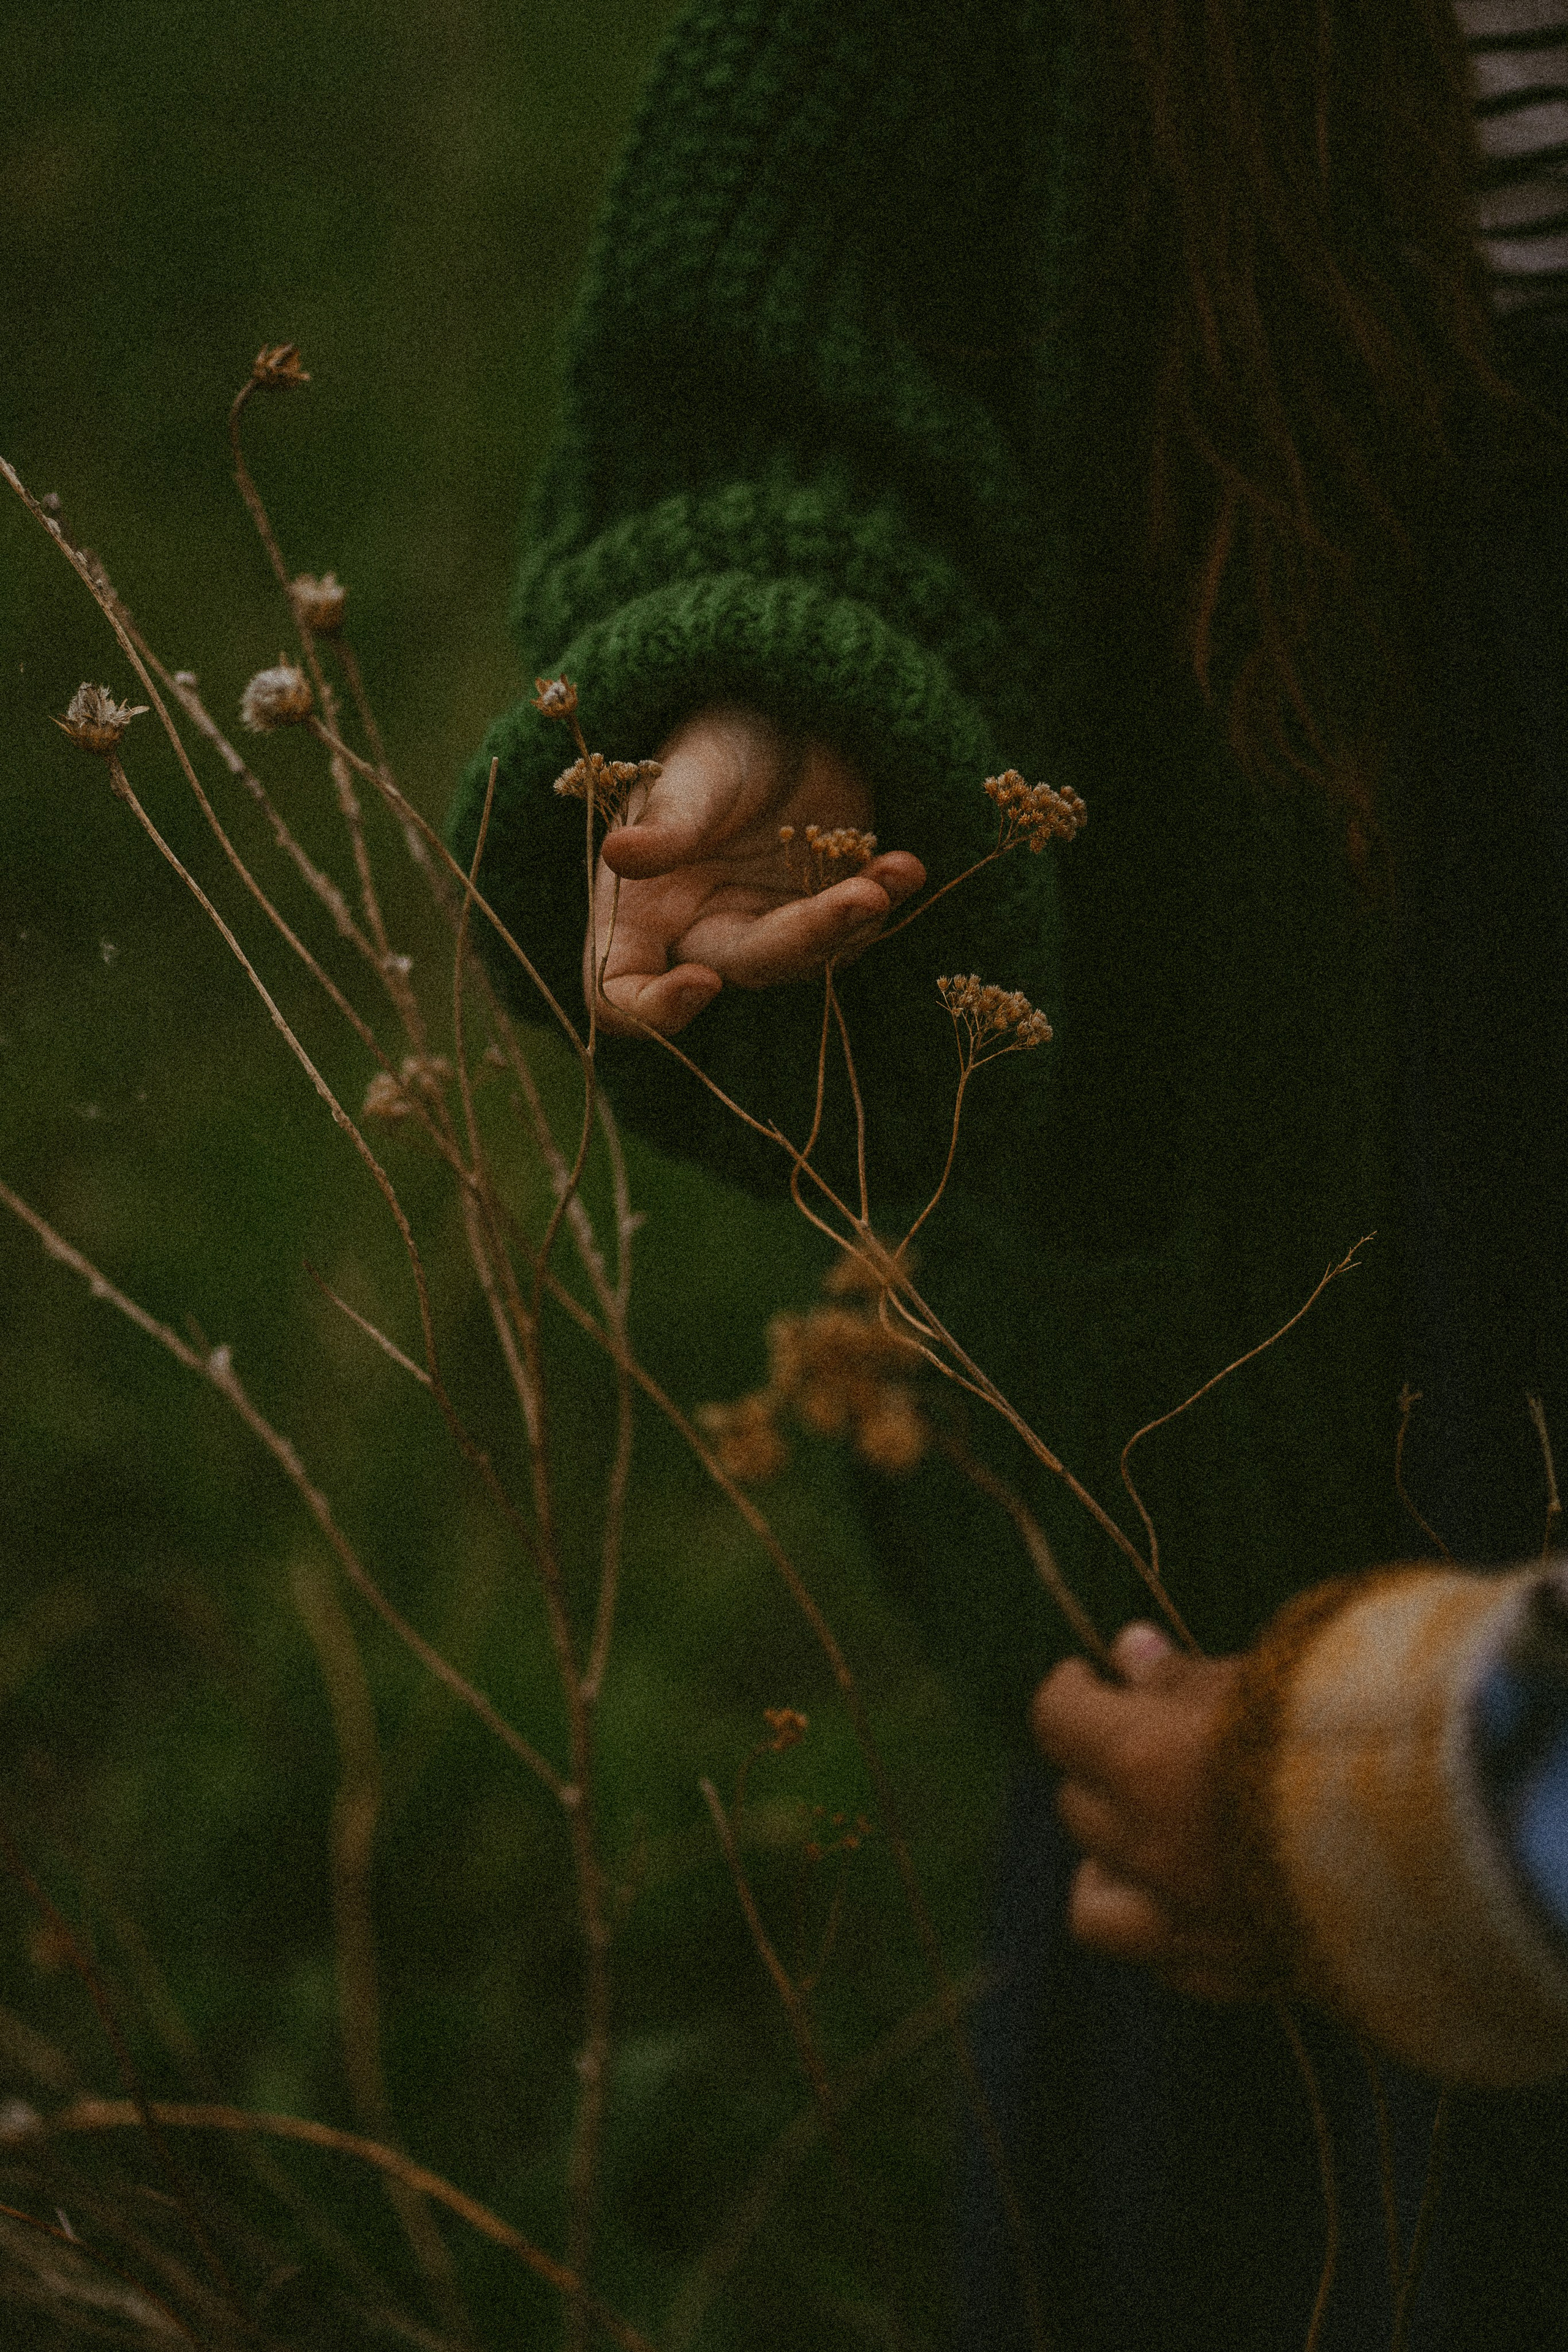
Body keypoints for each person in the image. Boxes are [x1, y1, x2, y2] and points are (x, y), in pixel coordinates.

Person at [448, 0, 1568, 2340]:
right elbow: (807, 334)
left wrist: (1496, 1814)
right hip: (1289, 1064)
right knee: (1244, 2037)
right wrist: (797, 703)